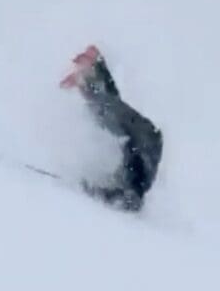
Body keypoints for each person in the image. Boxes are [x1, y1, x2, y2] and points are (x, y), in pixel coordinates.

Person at [60, 45, 163, 211]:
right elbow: (118, 197)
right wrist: (88, 188)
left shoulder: (128, 181)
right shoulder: (130, 188)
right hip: (145, 142)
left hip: (146, 142)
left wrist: (88, 187)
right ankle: (92, 69)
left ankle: (93, 70)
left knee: (109, 114)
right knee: (107, 112)